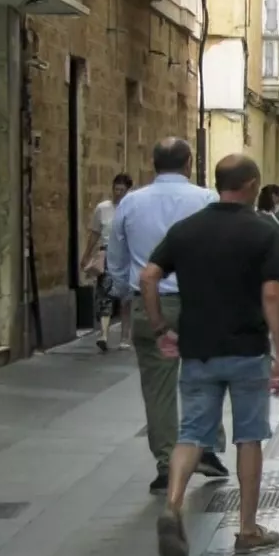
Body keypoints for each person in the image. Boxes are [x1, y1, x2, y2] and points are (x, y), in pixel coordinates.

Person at [142, 154, 279, 556]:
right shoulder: (264, 232)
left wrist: (159, 327)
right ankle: (246, 529)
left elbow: (148, 275)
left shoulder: (186, 230)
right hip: (246, 351)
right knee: (248, 436)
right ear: (252, 185)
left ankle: (173, 505)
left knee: (191, 434)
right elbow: (273, 294)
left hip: (198, 351)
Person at [108, 139, 228, 494]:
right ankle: (205, 449)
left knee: (158, 390)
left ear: (153, 163)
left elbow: (116, 257)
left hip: (150, 302)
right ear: (190, 162)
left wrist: (124, 294)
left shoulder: (131, 202)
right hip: (200, 303)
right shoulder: (206, 200)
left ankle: (166, 465)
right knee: (204, 378)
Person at [80, 173, 134, 352]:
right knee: (104, 294)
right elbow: (95, 232)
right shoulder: (102, 208)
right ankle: (103, 334)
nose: (118, 193)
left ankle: (125, 336)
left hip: (126, 256)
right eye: (115, 189)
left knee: (126, 298)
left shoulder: (132, 208)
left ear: (128, 191)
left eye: (122, 190)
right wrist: (87, 254)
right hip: (106, 254)